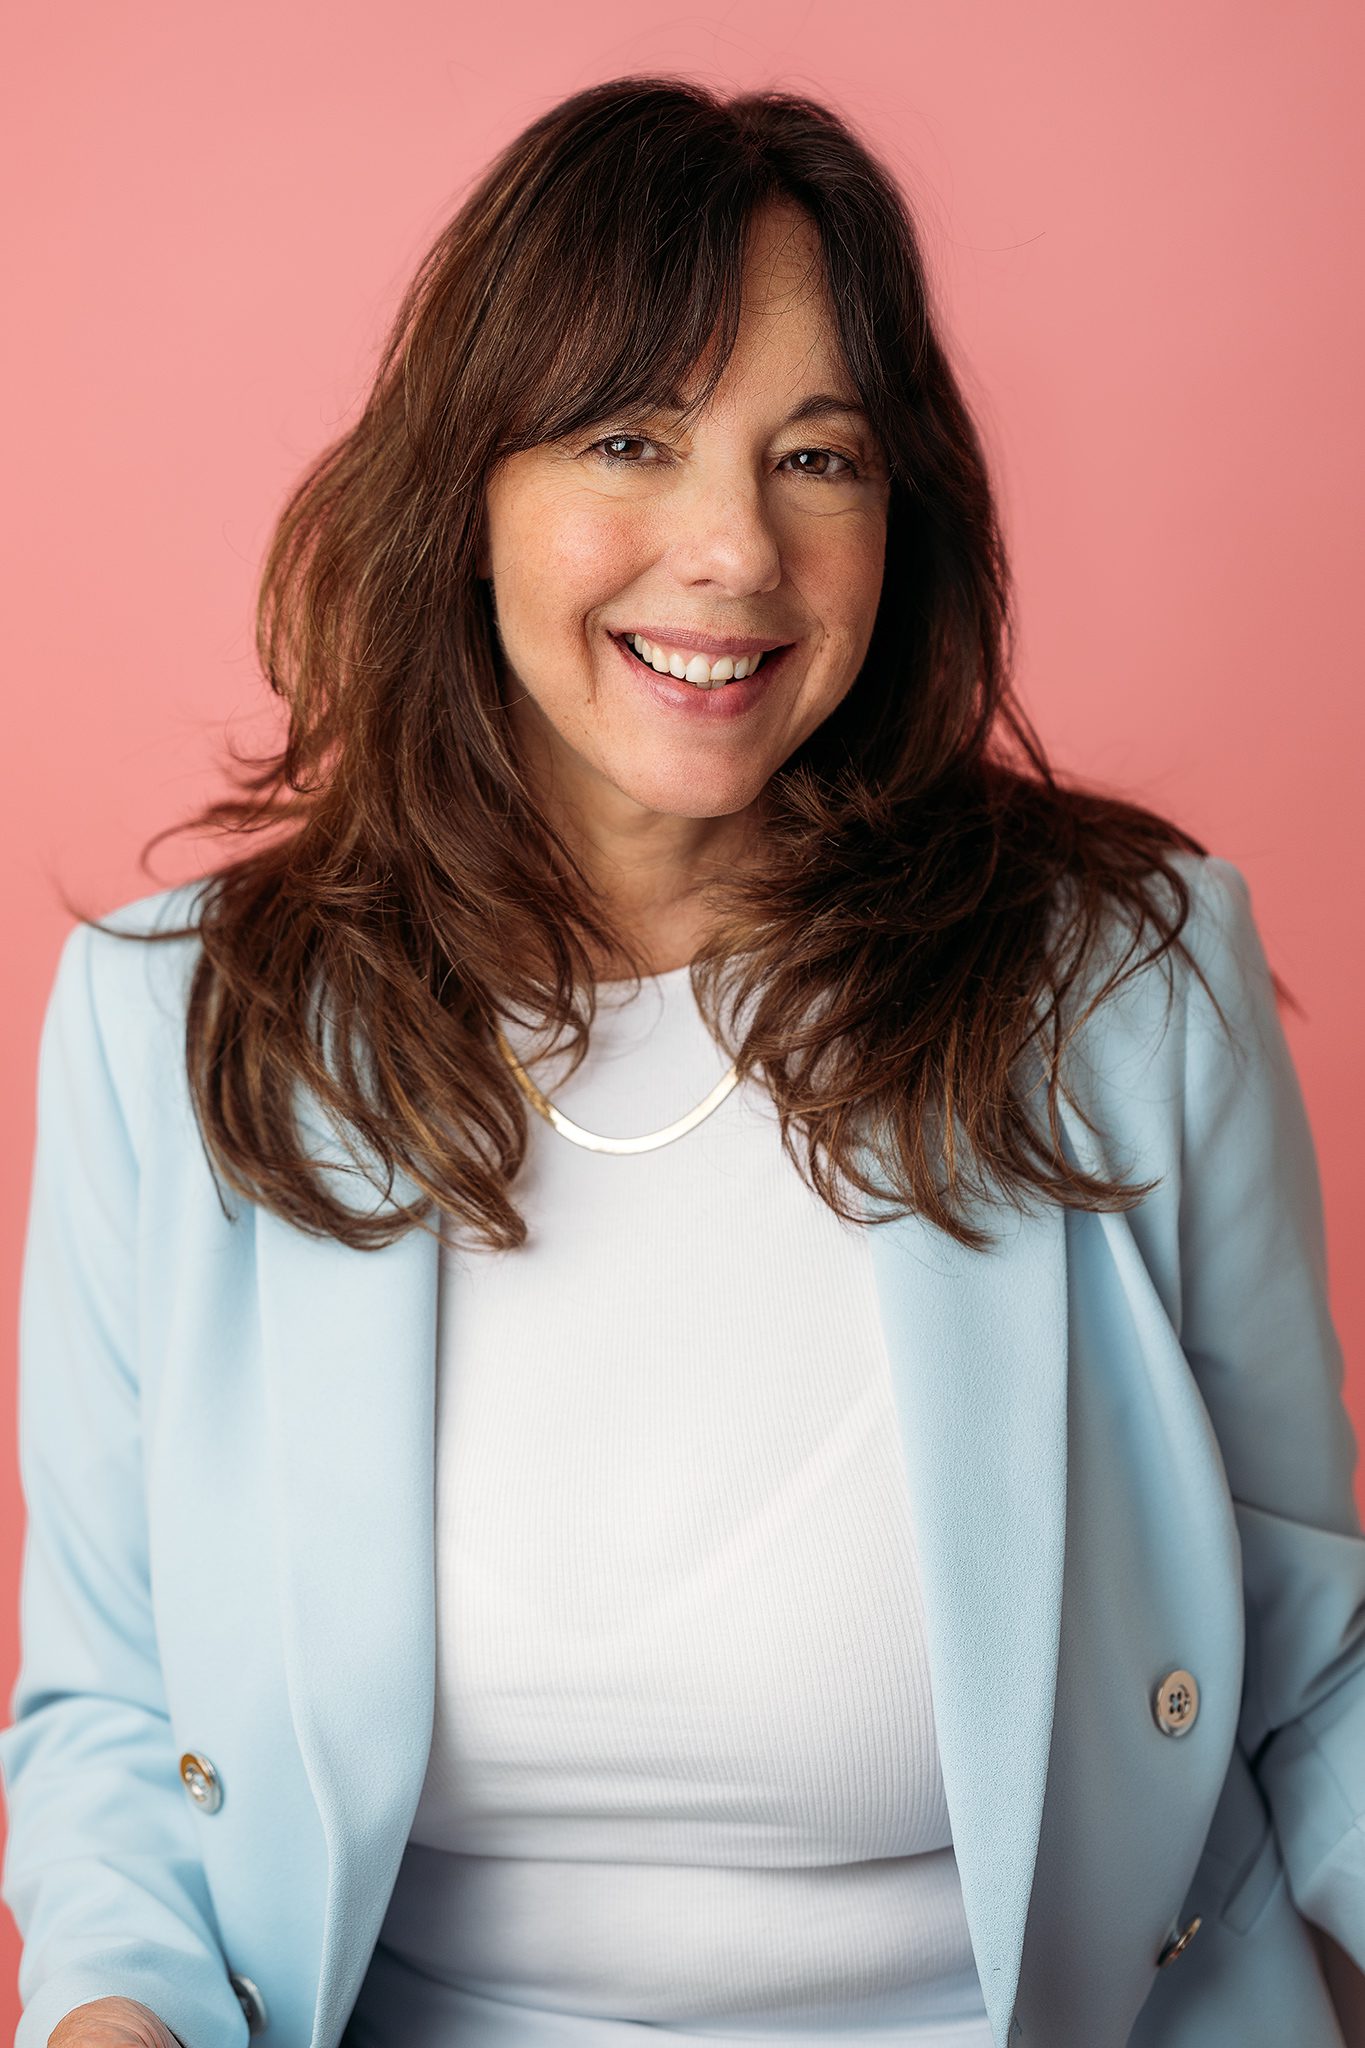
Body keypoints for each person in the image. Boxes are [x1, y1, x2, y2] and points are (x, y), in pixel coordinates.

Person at [1, 72, 1362, 2048]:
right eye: (629, 437)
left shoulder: (1123, 983)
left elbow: (1312, 1660)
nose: (733, 549)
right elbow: (115, 1709)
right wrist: (112, 2011)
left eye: (815, 457)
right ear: (469, 493)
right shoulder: (177, 1023)